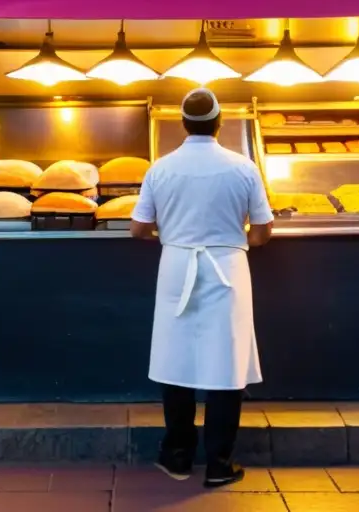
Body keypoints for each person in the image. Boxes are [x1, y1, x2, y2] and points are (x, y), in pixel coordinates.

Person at [130, 88, 274, 488]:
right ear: (219, 123)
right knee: (226, 364)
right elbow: (263, 232)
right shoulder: (243, 167)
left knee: (175, 361)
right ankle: (219, 464)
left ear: (182, 124)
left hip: (177, 266)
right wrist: (234, 234)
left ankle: (176, 457)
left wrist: (173, 233)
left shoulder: (160, 168)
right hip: (227, 268)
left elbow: (138, 228)